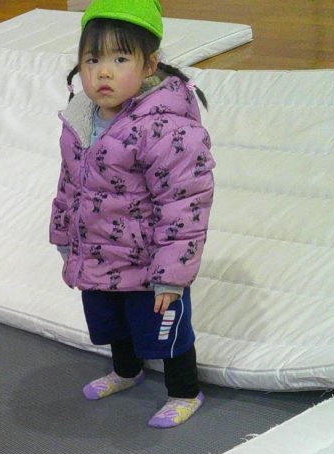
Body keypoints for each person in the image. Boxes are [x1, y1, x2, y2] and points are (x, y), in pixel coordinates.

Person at [50, 0, 215, 428]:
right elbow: (69, 184)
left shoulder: (166, 127)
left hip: (148, 264)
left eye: (120, 59)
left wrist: (172, 274)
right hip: (98, 255)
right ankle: (126, 371)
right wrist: (65, 239)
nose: (103, 72)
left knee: (167, 332)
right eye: (93, 60)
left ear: (149, 64)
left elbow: (185, 203)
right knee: (111, 323)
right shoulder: (80, 119)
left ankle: (184, 391)